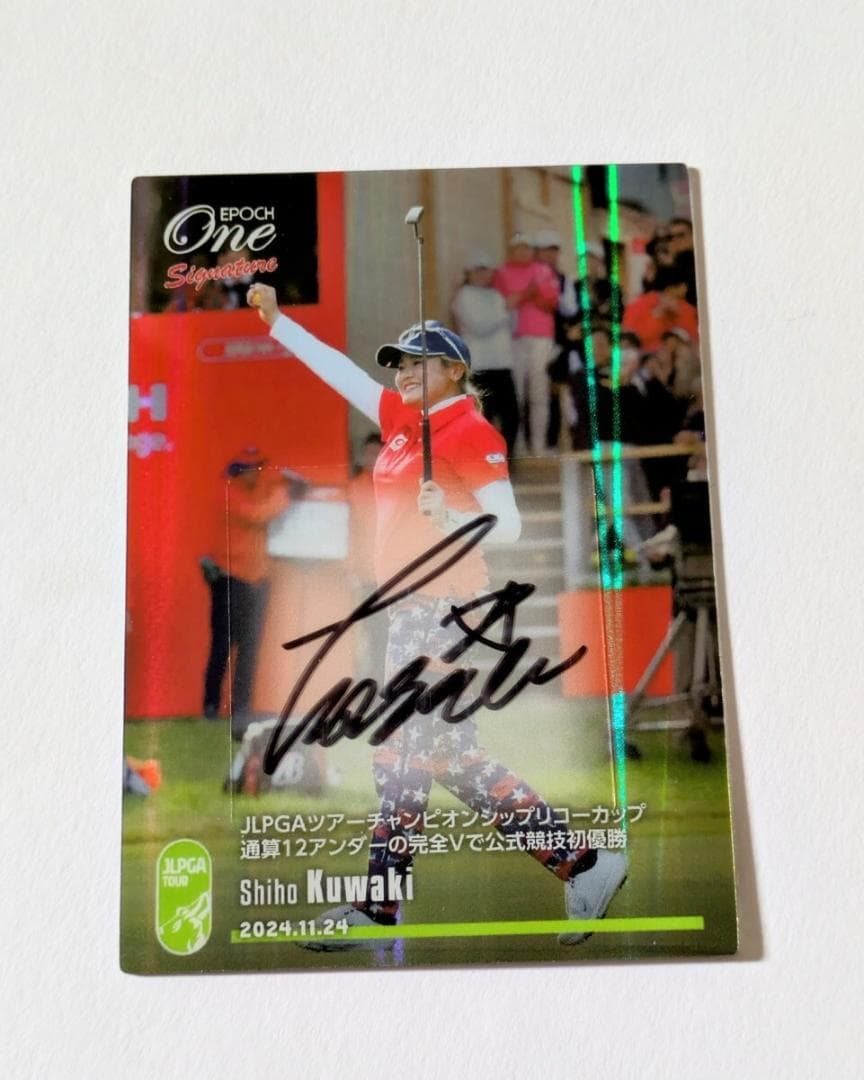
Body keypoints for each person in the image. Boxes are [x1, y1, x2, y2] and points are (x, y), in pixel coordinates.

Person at [248, 282, 628, 951]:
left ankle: (380, 908)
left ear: (455, 370)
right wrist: (279, 323)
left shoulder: (470, 431)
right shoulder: (401, 421)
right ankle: (584, 864)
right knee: (449, 758)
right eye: (399, 363)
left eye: (419, 362)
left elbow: (508, 524)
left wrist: (450, 515)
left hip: (446, 608)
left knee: (398, 753)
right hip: (412, 608)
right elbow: (340, 372)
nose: (403, 372)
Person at [200, 447, 294, 729]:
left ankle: (241, 708)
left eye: (257, 467)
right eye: (249, 468)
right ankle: (210, 706)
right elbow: (259, 515)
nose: (255, 473)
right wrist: (285, 495)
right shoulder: (228, 492)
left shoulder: (259, 490)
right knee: (223, 645)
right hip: (230, 579)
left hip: (258, 580)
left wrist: (284, 488)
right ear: (237, 470)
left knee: (250, 649)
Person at [492, 233, 560, 457]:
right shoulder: (501, 273)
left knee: (539, 392)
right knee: (517, 394)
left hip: (542, 337)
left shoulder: (543, 270)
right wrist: (528, 294)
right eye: (519, 248)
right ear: (511, 250)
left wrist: (523, 297)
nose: (524, 252)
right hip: (514, 338)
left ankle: (539, 446)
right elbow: (503, 305)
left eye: (527, 248)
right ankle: (518, 445)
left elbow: (551, 303)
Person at [451, 250, 519, 457]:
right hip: (480, 366)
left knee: (511, 416)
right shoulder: (463, 297)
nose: (484, 275)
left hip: (502, 364)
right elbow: (480, 327)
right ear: (469, 272)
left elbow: (511, 327)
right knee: (484, 417)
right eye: (479, 270)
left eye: (487, 270)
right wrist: (505, 310)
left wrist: (509, 311)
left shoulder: (496, 295)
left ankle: (506, 460)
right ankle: (486, 463)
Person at [623, 264, 699, 353]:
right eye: (684, 285)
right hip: (645, 356)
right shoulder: (638, 305)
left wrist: (679, 314)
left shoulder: (687, 309)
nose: (686, 289)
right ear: (670, 289)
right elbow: (631, 339)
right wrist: (657, 314)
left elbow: (695, 339)